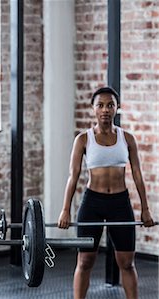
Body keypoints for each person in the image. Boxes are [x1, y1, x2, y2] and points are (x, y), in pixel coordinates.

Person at [57, 86, 155, 299]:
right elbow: (73, 177)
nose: (105, 109)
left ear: (117, 108)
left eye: (110, 105)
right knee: (84, 261)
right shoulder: (83, 139)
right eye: (100, 105)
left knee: (127, 263)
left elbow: (138, 175)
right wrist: (65, 210)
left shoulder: (127, 139)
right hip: (93, 202)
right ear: (93, 109)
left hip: (120, 203)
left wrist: (145, 209)